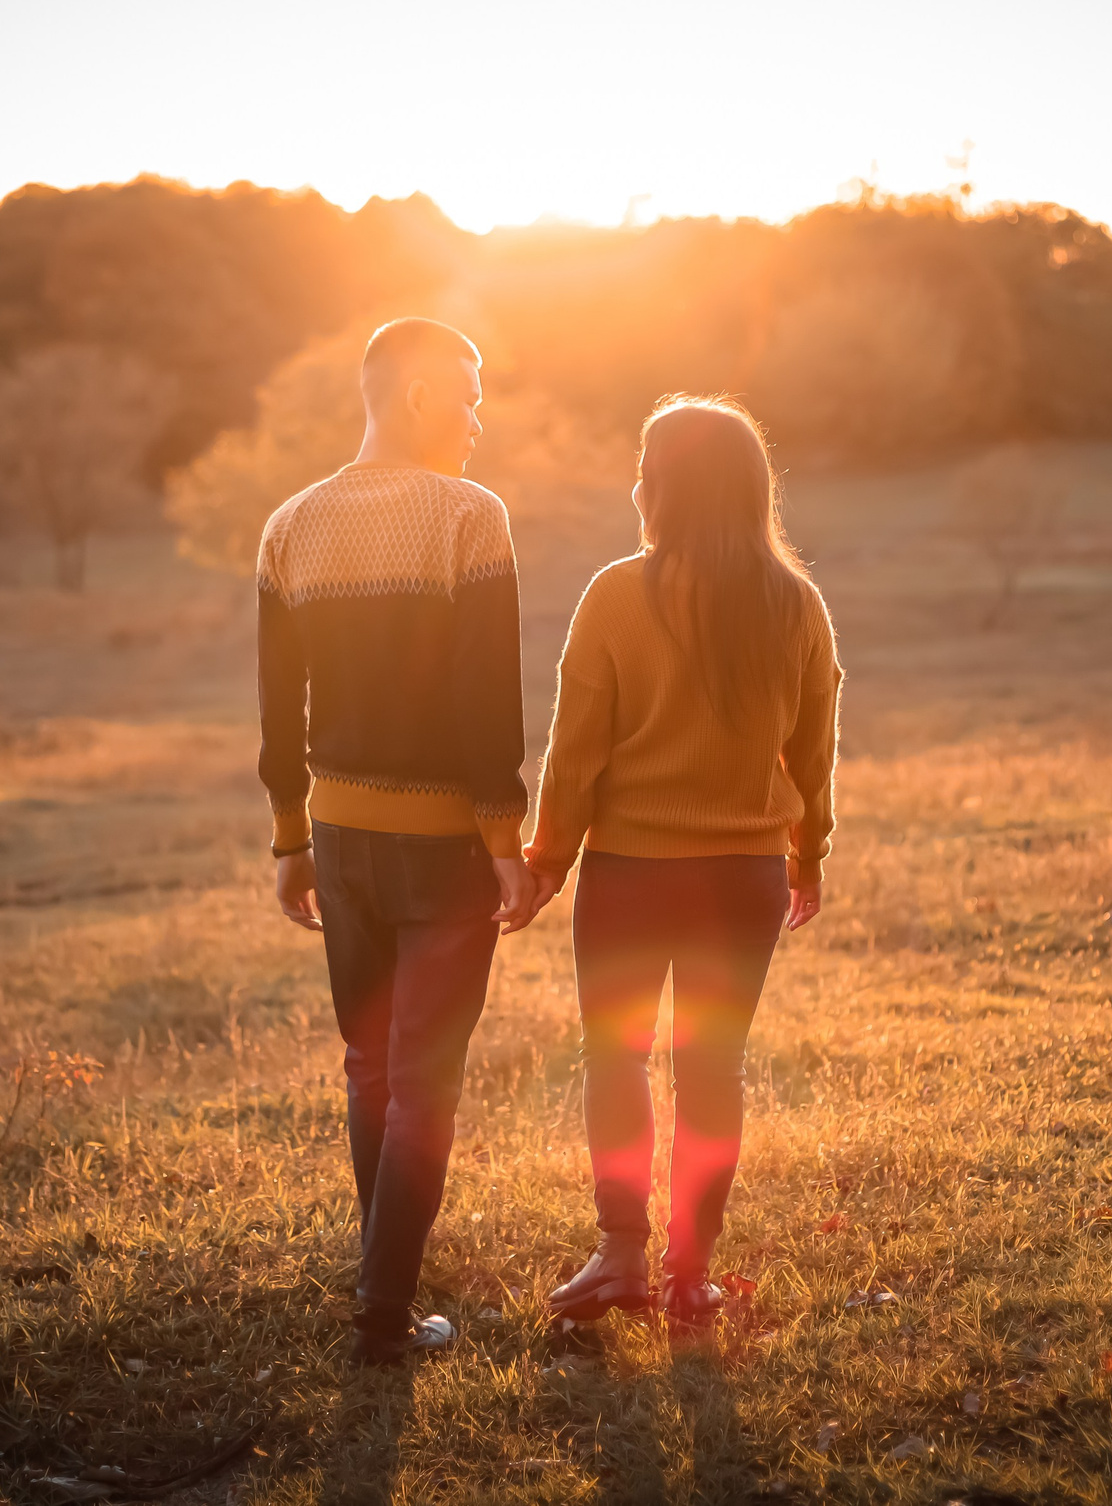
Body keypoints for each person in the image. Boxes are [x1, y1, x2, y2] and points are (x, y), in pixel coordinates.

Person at [256, 317, 548, 1366]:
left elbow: (275, 700)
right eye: (469, 394)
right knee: (424, 1076)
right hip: (440, 849)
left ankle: (386, 1271)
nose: (478, 417)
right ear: (420, 392)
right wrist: (505, 836)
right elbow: (486, 698)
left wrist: (290, 837)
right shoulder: (471, 517)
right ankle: (383, 1316)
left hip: (338, 837)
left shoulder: (288, 524)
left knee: (368, 1066)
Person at [525, 394, 841, 1324]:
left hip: (629, 872)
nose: (633, 481)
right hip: (742, 877)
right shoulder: (795, 602)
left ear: (661, 485)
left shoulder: (618, 593)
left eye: (642, 466)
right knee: (713, 1065)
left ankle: (621, 1255)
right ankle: (690, 1275)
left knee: (615, 1056)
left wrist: (549, 856)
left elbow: (575, 749)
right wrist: (806, 853)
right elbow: (812, 754)